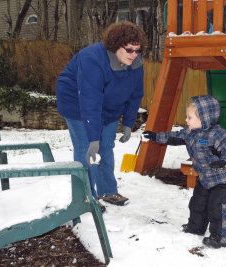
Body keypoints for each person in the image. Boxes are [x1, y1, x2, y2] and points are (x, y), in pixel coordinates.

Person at [56, 21, 147, 209]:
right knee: (86, 149)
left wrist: (129, 123)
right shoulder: (92, 60)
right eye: (129, 50)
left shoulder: (136, 64)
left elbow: (136, 94)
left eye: (138, 50)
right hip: (77, 103)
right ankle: (86, 197)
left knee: (106, 146)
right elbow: (90, 100)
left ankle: (108, 190)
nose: (134, 54)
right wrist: (92, 137)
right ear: (115, 46)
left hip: (109, 105)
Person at [143, 95, 226, 248]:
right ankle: (196, 228)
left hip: (224, 178)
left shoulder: (217, 134)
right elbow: (174, 136)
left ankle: (219, 238)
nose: (186, 120)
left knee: (217, 206)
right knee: (197, 203)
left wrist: (224, 161)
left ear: (204, 117)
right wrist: (156, 136)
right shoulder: (190, 132)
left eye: (189, 117)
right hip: (206, 177)